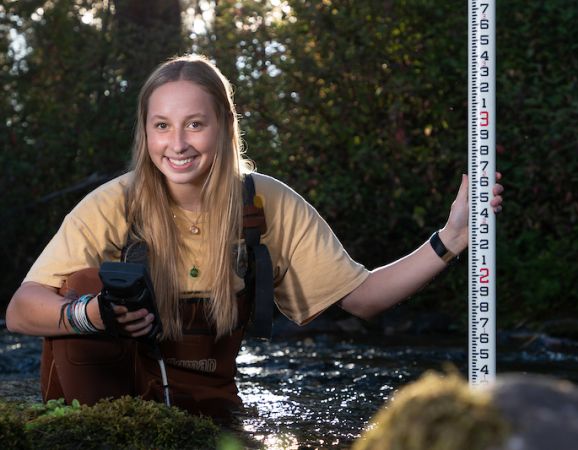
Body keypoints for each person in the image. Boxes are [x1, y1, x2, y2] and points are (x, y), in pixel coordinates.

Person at [6, 54, 504, 417]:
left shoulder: (266, 203)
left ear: (224, 125)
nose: (176, 144)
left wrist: (451, 239)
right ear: (146, 132)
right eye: (162, 126)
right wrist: (91, 313)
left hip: (210, 407)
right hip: (109, 409)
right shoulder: (115, 202)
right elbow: (20, 310)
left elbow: (364, 299)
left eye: (195, 124)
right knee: (81, 281)